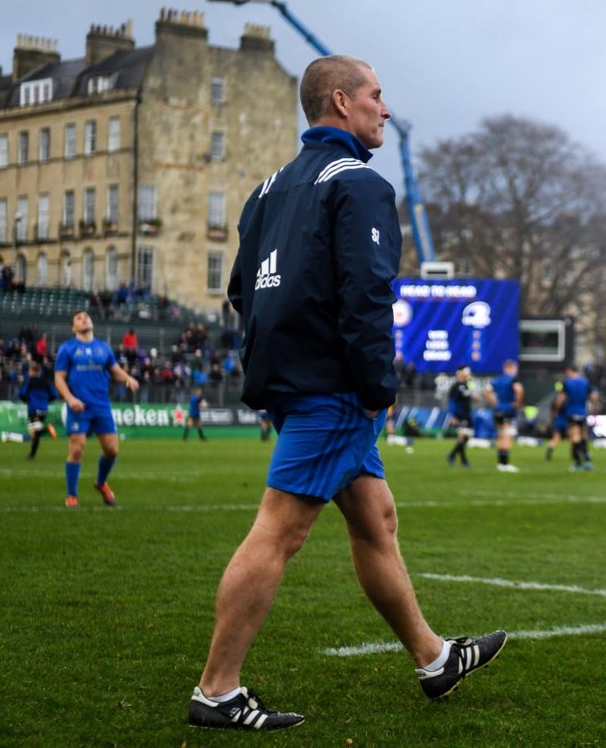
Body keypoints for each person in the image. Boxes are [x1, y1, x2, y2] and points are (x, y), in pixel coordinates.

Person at [189, 55, 505, 732]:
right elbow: (367, 295)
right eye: (376, 96)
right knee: (279, 530)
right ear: (341, 101)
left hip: (290, 380)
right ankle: (217, 689)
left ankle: (433, 657)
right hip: (333, 386)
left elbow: (241, 293)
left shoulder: (267, 189)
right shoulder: (359, 183)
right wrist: (374, 386)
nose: (385, 109)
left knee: (376, 517)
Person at [54, 310, 139, 507]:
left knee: (112, 451)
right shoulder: (67, 348)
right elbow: (59, 378)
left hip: (101, 405)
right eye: (78, 318)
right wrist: (70, 398)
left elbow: (115, 370)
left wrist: (127, 378)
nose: (83, 319)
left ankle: (101, 483)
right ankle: (72, 495)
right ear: (73, 328)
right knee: (77, 448)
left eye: (86, 316)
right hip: (79, 406)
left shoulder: (103, 347)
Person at [554, 364, 596, 471]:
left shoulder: (567, 382)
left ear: (569, 370)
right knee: (583, 435)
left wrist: (557, 410)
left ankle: (578, 463)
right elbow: (592, 397)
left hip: (571, 412)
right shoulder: (585, 382)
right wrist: (594, 407)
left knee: (574, 436)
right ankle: (587, 460)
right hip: (582, 412)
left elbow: (561, 398)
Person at [486, 358, 524, 473]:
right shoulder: (512, 379)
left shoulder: (497, 379)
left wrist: (493, 402)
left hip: (498, 410)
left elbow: (487, 391)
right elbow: (519, 389)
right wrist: (518, 403)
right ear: (512, 368)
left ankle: (500, 463)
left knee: (500, 436)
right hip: (508, 410)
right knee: (507, 436)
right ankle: (505, 463)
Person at [19, 360, 59, 460]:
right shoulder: (46, 382)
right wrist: (46, 400)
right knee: (35, 433)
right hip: (44, 409)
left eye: (29, 370)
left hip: (33, 409)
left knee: (35, 433)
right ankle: (31, 455)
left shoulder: (29, 382)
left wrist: (26, 400)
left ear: (32, 371)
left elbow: (22, 394)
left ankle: (48, 430)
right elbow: (54, 395)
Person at [446, 366, 473, 468]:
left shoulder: (466, 385)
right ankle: (461, 459)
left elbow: (468, 397)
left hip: (466, 414)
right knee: (463, 437)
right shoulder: (455, 386)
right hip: (460, 415)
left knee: (464, 437)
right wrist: (452, 416)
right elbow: (452, 402)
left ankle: (454, 456)